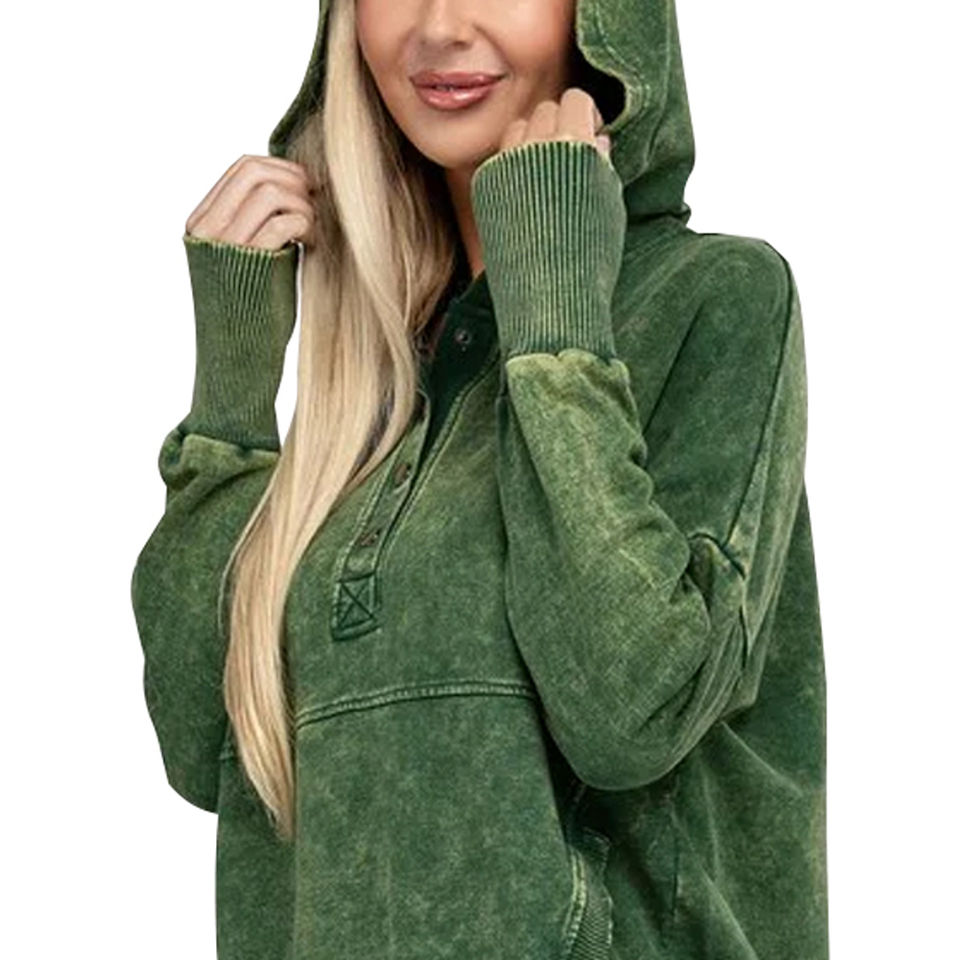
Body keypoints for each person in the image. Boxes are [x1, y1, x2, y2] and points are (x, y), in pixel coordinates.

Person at [130, 0, 829, 958]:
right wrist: (232, 399)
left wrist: (552, 307)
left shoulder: (716, 300)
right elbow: (205, 748)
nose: (440, 26)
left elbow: (629, 714)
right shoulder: (368, 385)